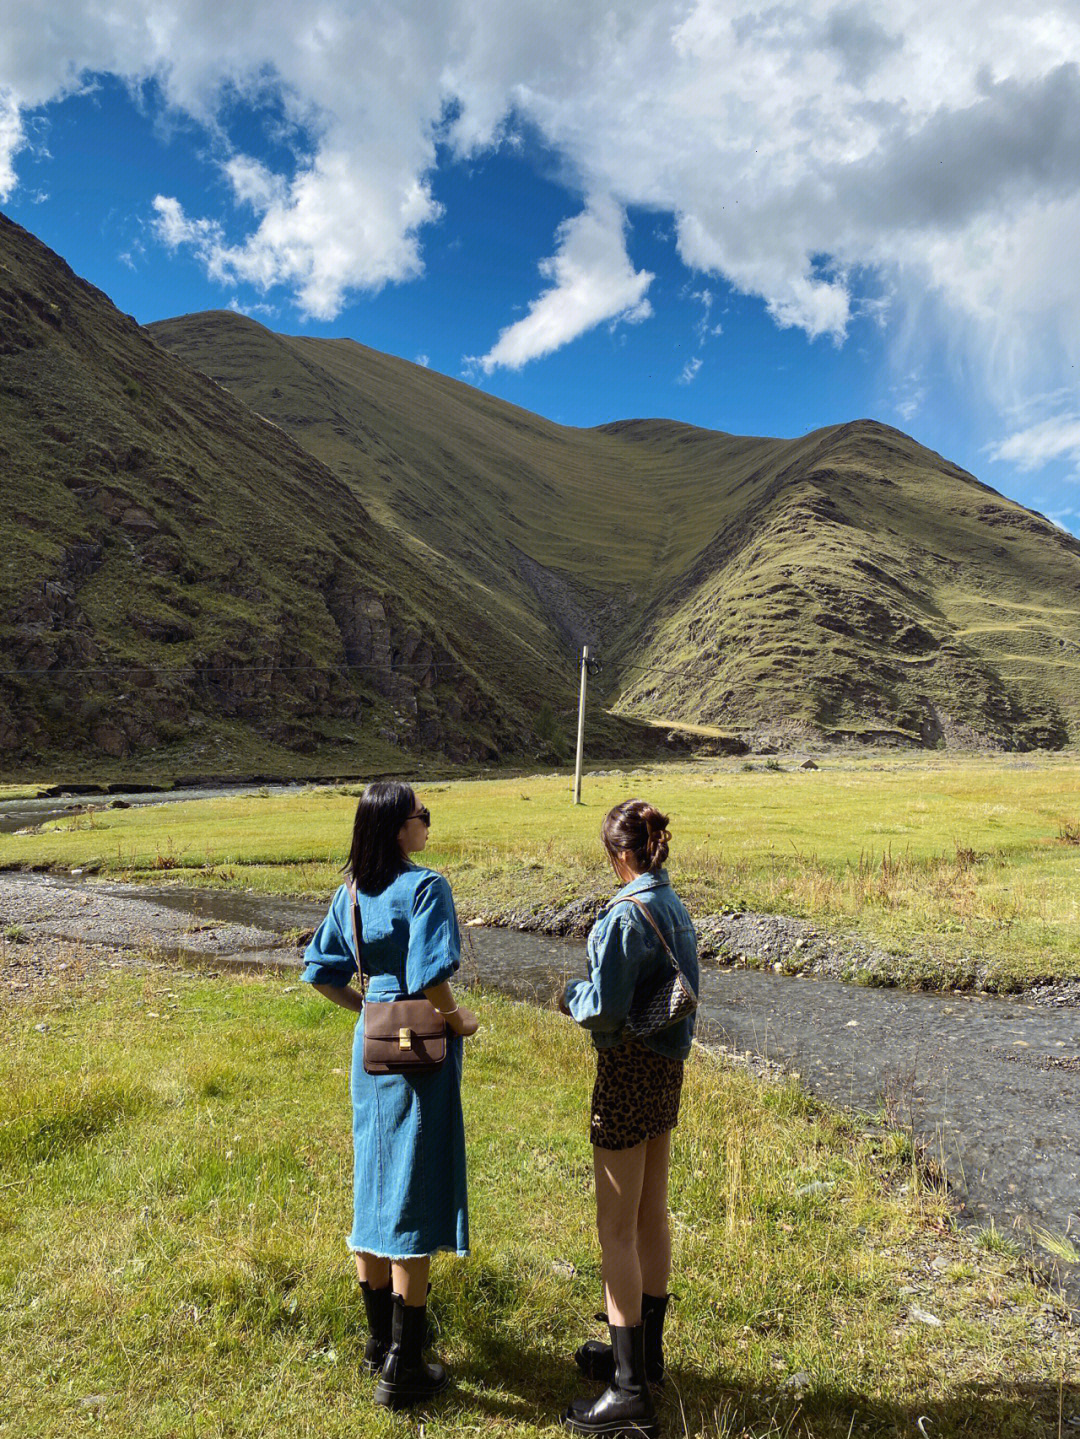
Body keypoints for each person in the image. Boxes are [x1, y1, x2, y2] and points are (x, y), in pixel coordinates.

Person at [301, 780, 478, 1410]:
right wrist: (458, 1020)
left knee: (372, 1182)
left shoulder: (350, 891)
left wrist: (367, 1008)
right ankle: (404, 1365)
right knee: (412, 1188)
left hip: (371, 1045)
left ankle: (379, 1344)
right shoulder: (427, 886)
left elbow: (321, 973)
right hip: (420, 1048)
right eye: (422, 816)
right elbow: (432, 976)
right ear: (399, 827)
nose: (429, 824)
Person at [561, 799, 699, 1439]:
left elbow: (606, 1011)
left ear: (621, 855)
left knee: (615, 1229)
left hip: (626, 1072)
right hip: (666, 1069)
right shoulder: (674, 904)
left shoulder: (624, 916)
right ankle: (647, 1359)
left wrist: (571, 997)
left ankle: (626, 1391)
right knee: (651, 1212)